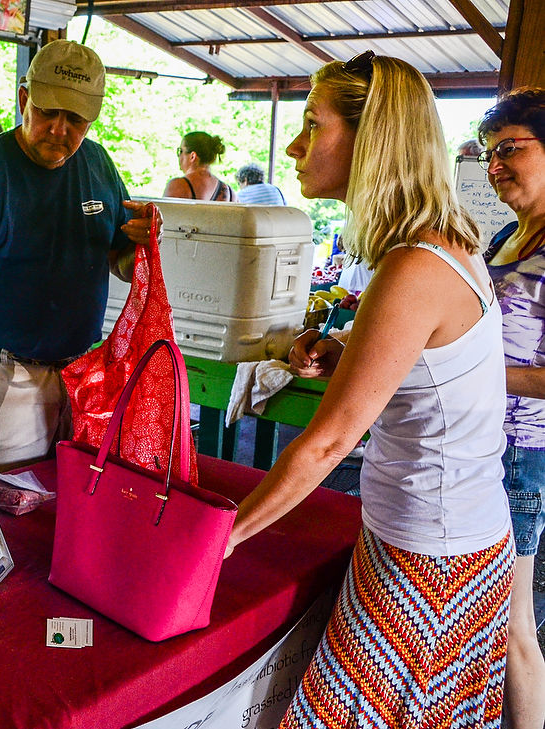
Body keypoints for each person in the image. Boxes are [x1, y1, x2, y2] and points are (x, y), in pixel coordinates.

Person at [227, 51, 515, 727]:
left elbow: (327, 444)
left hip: (433, 555)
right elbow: (425, 361)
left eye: (312, 124)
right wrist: (344, 349)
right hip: (447, 538)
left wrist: (219, 539)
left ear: (370, 138)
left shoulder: (412, 265)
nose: (295, 146)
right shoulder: (438, 245)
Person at [0, 39, 157, 467]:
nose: (60, 129)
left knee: (71, 503)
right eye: (48, 112)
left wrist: (142, 243)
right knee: (8, 509)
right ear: (24, 99)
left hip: (80, 376)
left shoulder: (99, 166)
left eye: (75, 119)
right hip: (1, 376)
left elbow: (117, 262)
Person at [476, 87, 545, 729]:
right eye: (487, 154)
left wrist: (480, 374)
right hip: (479, 442)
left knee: (514, 622)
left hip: (522, 452)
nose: (495, 165)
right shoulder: (507, 235)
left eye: (509, 151)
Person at [161, 131, 235, 201]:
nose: (179, 156)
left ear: (192, 156)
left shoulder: (178, 186)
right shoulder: (231, 194)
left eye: (180, 151)